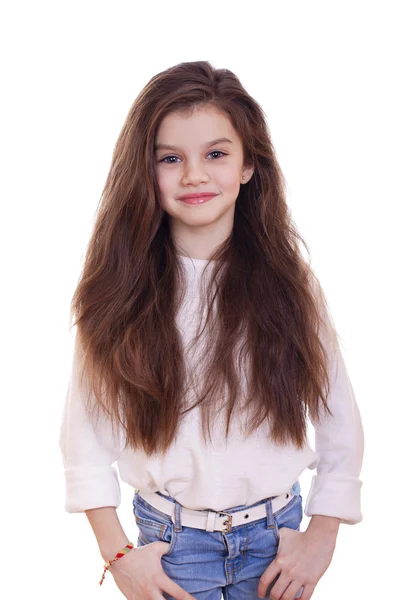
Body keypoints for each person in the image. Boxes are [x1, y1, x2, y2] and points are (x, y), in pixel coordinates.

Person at [59, 60, 364, 600]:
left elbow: (339, 421)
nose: (194, 175)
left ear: (249, 166)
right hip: (169, 554)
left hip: (277, 550)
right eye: (171, 159)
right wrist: (120, 557)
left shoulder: (293, 288)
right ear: (145, 172)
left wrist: (322, 535)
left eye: (216, 154)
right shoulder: (117, 293)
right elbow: (84, 442)